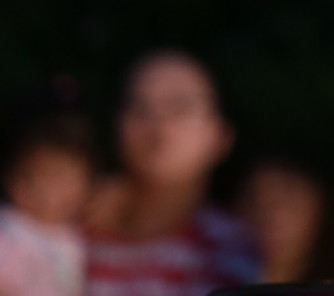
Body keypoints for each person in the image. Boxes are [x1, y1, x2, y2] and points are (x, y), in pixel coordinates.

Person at [81, 53, 258, 296]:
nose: (158, 123)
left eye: (179, 107)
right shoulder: (66, 226)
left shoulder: (228, 247)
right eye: (139, 107)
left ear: (220, 135)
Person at [0, 103, 94, 296]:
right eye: (57, 178)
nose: (71, 190)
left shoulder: (73, 234)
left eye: (76, 178)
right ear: (21, 186)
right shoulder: (12, 231)